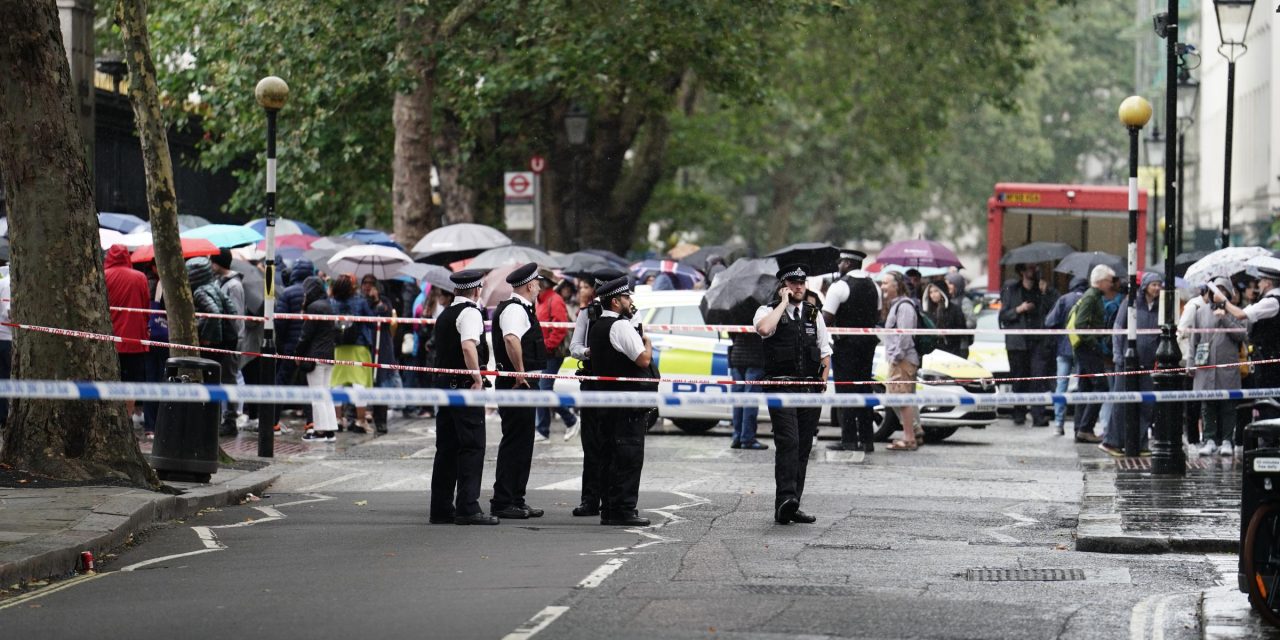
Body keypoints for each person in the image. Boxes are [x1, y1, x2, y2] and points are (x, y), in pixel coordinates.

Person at [755, 264, 831, 524]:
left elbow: (825, 350)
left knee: (803, 446)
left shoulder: (813, 314)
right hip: (781, 386)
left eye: (802, 282)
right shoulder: (767, 311)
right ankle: (785, 498)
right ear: (783, 285)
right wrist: (781, 304)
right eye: (793, 282)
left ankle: (793, 502)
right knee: (789, 441)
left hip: (809, 388)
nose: (799, 286)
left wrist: (822, 382)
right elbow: (764, 330)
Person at [429, 270, 499, 526]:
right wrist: (478, 378)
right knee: (471, 446)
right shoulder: (470, 312)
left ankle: (440, 508)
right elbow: (468, 346)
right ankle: (468, 507)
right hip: (465, 388)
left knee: (446, 448)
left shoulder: (446, 313)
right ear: (477, 290)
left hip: (445, 388)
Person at [588, 275, 657, 526]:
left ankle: (610, 508)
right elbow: (643, 360)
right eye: (627, 297)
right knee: (628, 456)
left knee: (609, 455)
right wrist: (648, 343)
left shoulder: (597, 326)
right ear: (616, 301)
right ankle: (623, 509)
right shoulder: (620, 326)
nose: (630, 301)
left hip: (606, 400)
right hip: (627, 402)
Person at [490, 262, 549, 520]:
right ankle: (504, 500)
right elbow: (511, 339)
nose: (539, 286)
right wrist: (520, 372)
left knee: (523, 442)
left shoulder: (522, 308)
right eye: (537, 282)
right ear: (528, 285)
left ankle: (516, 498)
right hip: (518, 384)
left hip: (521, 383)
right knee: (515, 442)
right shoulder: (515, 309)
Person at [568, 268, 625, 517]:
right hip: (592, 381)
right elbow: (574, 347)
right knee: (591, 443)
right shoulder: (586, 314)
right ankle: (590, 498)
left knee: (615, 442)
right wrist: (590, 352)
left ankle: (612, 500)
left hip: (616, 384)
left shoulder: (628, 315)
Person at [1100, 271, 1163, 456]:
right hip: (1127, 362)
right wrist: (1118, 355)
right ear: (1145, 286)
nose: (1157, 288)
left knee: (1145, 404)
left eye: (1159, 285)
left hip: (1148, 364)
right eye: (1154, 285)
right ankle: (1111, 442)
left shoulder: (1161, 307)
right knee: (1121, 402)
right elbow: (1118, 329)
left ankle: (1139, 443)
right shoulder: (1131, 303)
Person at [822, 249, 878, 453]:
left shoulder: (840, 286)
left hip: (846, 346)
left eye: (840, 263)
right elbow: (877, 315)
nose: (838, 267)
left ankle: (848, 439)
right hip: (868, 346)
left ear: (847, 264)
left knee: (846, 390)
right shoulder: (875, 286)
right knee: (865, 389)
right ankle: (867, 439)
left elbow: (826, 319)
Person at [1190, 277, 1246, 456]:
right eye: (1216, 290)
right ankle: (1209, 439)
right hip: (1205, 365)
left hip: (1226, 366)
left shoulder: (1235, 312)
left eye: (1223, 290)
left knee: (1228, 405)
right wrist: (1191, 363)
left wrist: (1225, 319)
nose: (1218, 294)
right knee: (1207, 405)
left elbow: (1241, 336)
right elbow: (1194, 340)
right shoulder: (1200, 312)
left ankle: (1227, 440)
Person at [1219, 258, 1280, 420]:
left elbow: (1240, 314)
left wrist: (1223, 302)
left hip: (1270, 361)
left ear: (1267, 283)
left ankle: (1271, 440)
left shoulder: (1272, 302)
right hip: (1267, 359)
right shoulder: (1269, 301)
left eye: (1259, 282)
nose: (1258, 285)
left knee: (1270, 401)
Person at [186, 256, 239, 430]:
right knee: (217, 381)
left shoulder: (200, 291)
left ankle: (209, 422)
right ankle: (216, 421)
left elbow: (213, 312)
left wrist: (207, 336)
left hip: (213, 345)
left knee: (210, 381)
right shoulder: (214, 286)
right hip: (226, 342)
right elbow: (230, 309)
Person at [104, 245, 150, 428]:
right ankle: (127, 418)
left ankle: (111, 419)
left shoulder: (103, 276)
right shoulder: (140, 277)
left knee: (109, 380)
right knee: (131, 382)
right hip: (135, 340)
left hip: (109, 340)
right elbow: (146, 308)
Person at [1068, 265, 1116, 444]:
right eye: (1109, 281)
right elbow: (1081, 324)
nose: (1111, 285)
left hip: (1084, 348)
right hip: (1088, 350)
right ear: (1101, 281)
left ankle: (1080, 429)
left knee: (1085, 388)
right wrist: (1095, 343)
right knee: (1101, 386)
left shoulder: (1092, 296)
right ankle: (1085, 428)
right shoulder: (1091, 297)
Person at [999, 264, 1050, 426]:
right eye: (1030, 268)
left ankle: (1038, 415)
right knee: (1019, 379)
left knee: (1037, 378)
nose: (1034, 271)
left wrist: (1044, 294)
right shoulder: (1011, 289)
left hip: (1037, 342)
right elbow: (1003, 316)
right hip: (1018, 342)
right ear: (1022, 272)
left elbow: (1049, 312)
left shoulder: (1040, 290)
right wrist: (1019, 309)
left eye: (1034, 268)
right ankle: (1018, 413)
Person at [879, 271, 922, 451]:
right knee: (899, 398)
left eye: (886, 283)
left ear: (897, 285)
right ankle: (913, 432)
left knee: (901, 399)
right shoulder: (896, 305)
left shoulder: (904, 306)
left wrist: (896, 357)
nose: (882, 287)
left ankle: (909, 437)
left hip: (903, 360)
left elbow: (905, 336)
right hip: (900, 359)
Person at [294, 276, 339, 442]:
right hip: (329, 355)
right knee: (326, 394)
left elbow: (306, 335)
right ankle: (329, 430)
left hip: (315, 356)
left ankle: (320, 431)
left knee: (316, 395)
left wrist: (298, 353)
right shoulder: (328, 305)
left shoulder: (314, 307)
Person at [329, 274, 374, 433]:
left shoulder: (332, 303)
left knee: (337, 383)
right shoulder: (360, 301)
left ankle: (337, 419)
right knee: (359, 383)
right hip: (359, 347)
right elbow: (372, 321)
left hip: (339, 347)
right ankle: (360, 420)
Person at [536, 273, 578, 441]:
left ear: (543, 283)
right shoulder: (540, 300)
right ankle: (542, 429)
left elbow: (560, 328)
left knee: (544, 389)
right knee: (541, 389)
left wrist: (547, 346)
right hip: (544, 352)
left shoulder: (554, 299)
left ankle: (571, 419)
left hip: (553, 352)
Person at [274, 259, 316, 428]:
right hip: (310, 347)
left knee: (281, 381)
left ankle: (273, 422)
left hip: (290, 346)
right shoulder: (315, 292)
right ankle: (311, 422)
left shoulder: (287, 293)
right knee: (308, 384)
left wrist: (283, 343)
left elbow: (280, 321)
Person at [1044, 276, 1088, 435]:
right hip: (1083, 349)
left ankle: (1058, 424)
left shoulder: (1064, 299)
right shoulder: (1088, 299)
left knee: (1061, 386)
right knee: (1083, 386)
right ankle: (1080, 425)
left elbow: (1049, 321)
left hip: (1063, 348)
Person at [210, 248, 247, 433]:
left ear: (217, 263)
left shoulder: (234, 286)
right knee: (222, 378)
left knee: (229, 379)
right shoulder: (220, 282)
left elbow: (237, 315)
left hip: (232, 340)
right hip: (223, 339)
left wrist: (234, 340)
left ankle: (231, 419)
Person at [362, 274, 401, 434]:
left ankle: (381, 421)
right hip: (366, 345)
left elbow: (386, 317)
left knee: (382, 383)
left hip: (382, 347)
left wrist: (377, 300)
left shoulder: (385, 300)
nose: (368, 287)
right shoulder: (360, 301)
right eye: (365, 283)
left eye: (372, 284)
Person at [922, 282, 965, 358]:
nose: (933, 295)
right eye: (930, 292)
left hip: (952, 350)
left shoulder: (954, 309)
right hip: (933, 352)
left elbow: (962, 329)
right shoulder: (927, 311)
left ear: (942, 291)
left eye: (936, 291)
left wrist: (946, 332)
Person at [944, 272, 975, 359]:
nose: (948, 286)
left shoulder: (964, 301)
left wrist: (957, 327)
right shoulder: (947, 300)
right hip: (949, 344)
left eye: (950, 283)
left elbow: (972, 321)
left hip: (961, 344)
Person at [0, 266, 11, 432]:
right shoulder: (10, 284)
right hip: (8, 338)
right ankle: (4, 417)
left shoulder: (3, 282)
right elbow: (10, 313)